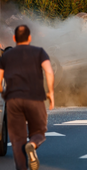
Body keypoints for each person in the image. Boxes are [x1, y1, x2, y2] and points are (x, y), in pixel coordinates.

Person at [0, 25, 54, 170]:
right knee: (39, 131)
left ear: (14, 38)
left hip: (13, 100)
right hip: (34, 98)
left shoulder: (6, 56)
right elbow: (49, 71)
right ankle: (33, 144)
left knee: (17, 139)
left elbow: (0, 78)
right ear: (29, 38)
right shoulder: (39, 52)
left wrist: (1, 90)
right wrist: (51, 93)